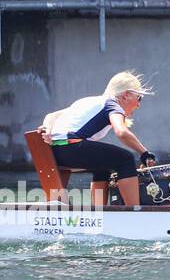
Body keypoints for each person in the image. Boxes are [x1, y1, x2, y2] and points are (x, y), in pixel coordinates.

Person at [39, 71, 155, 206]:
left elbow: (51, 116)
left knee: (103, 166)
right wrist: (144, 153)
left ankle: (99, 210)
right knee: (126, 159)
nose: (138, 104)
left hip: (55, 151)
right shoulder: (112, 104)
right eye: (139, 97)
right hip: (71, 147)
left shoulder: (87, 101)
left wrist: (46, 128)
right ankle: (135, 212)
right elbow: (121, 132)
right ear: (126, 95)